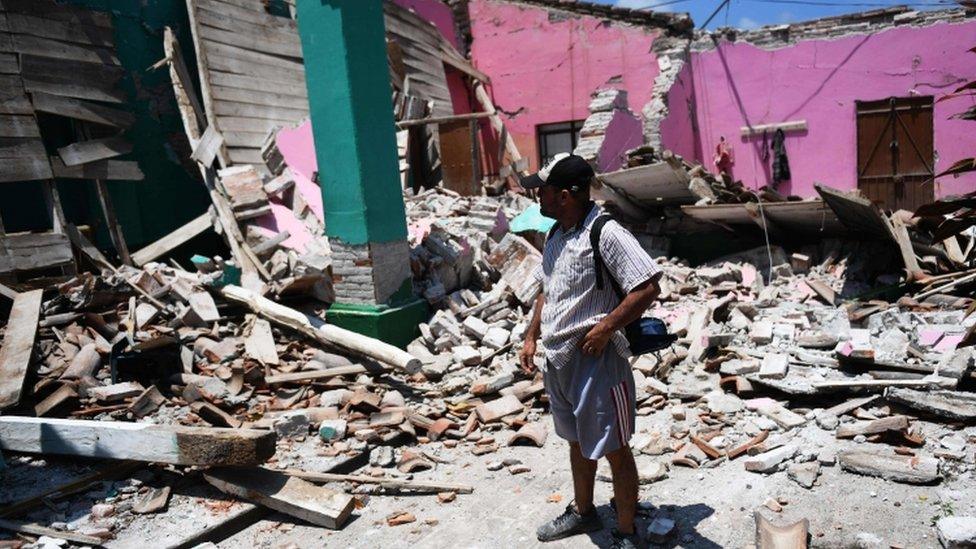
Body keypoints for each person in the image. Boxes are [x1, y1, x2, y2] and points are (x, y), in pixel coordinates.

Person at [519, 153, 662, 549]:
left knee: (614, 447)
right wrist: (532, 335)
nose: (538, 198)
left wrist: (606, 326)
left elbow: (648, 286)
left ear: (565, 195)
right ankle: (584, 513)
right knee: (577, 442)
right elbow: (549, 290)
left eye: (542, 191)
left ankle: (627, 533)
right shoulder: (556, 234)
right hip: (559, 359)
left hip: (598, 360)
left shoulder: (607, 232)